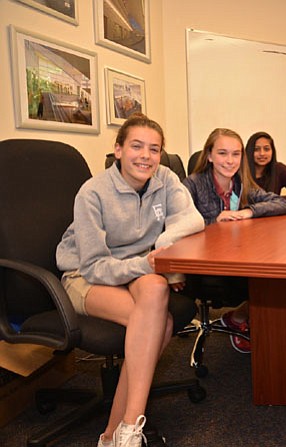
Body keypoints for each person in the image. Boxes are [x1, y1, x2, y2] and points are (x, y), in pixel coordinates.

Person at [56, 113, 205, 447]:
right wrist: (148, 263)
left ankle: (123, 430)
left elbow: (192, 219)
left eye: (154, 149)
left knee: (154, 290)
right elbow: (94, 266)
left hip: (136, 269)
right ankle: (120, 433)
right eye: (136, 146)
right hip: (86, 274)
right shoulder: (92, 193)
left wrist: (160, 250)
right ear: (118, 150)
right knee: (160, 324)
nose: (146, 156)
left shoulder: (164, 178)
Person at [183, 128, 286, 353]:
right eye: (223, 153)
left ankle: (240, 317)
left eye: (236, 154)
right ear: (210, 155)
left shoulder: (240, 182)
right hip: (204, 265)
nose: (230, 161)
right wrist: (213, 220)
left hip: (235, 254)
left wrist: (248, 212)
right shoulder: (192, 184)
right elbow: (177, 224)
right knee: (269, 280)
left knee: (280, 272)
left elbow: (281, 203)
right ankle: (241, 317)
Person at [245, 131, 286, 205]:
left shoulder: (279, 169)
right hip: (246, 214)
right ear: (249, 151)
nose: (262, 153)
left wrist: (275, 200)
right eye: (256, 149)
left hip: (272, 214)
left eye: (266, 149)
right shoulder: (241, 171)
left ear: (272, 151)